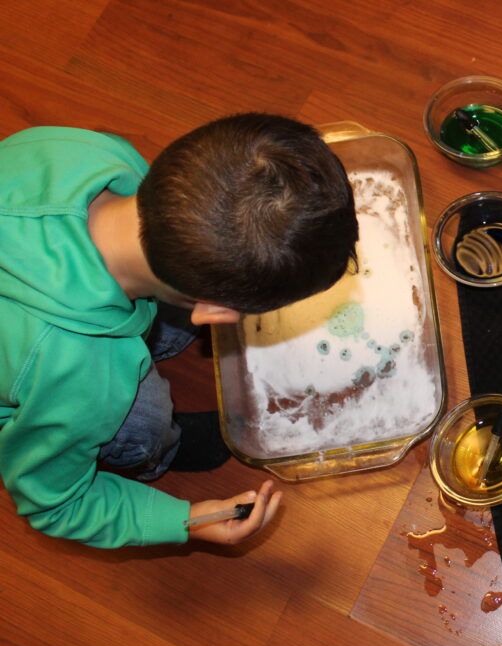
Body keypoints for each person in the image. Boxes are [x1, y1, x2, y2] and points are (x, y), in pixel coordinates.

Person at [0, 114, 359, 547]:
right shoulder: (77, 377)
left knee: (159, 313)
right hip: (53, 375)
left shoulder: (82, 152)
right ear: (214, 312)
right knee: (145, 418)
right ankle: (159, 449)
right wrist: (186, 519)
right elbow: (56, 504)